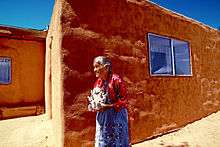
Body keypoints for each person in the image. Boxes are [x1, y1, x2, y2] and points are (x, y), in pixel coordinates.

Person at [88, 56, 130, 147]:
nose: (95, 70)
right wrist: (93, 106)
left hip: (116, 116)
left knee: (118, 141)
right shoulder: (98, 82)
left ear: (106, 67)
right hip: (103, 118)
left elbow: (124, 101)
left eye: (97, 66)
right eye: (94, 67)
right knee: (103, 140)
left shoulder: (116, 80)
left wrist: (108, 106)